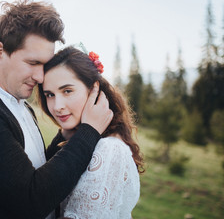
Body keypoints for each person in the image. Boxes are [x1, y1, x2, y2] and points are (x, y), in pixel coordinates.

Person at [0, 0, 113, 219]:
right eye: (33, 63)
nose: (40, 77)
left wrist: (63, 137)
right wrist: (89, 132)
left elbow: (31, 172)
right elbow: (31, 200)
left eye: (44, 65)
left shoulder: (18, 104)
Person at [37, 46, 145, 218]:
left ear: (93, 89)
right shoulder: (75, 139)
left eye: (67, 91)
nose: (57, 106)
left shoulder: (109, 149)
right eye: (50, 95)